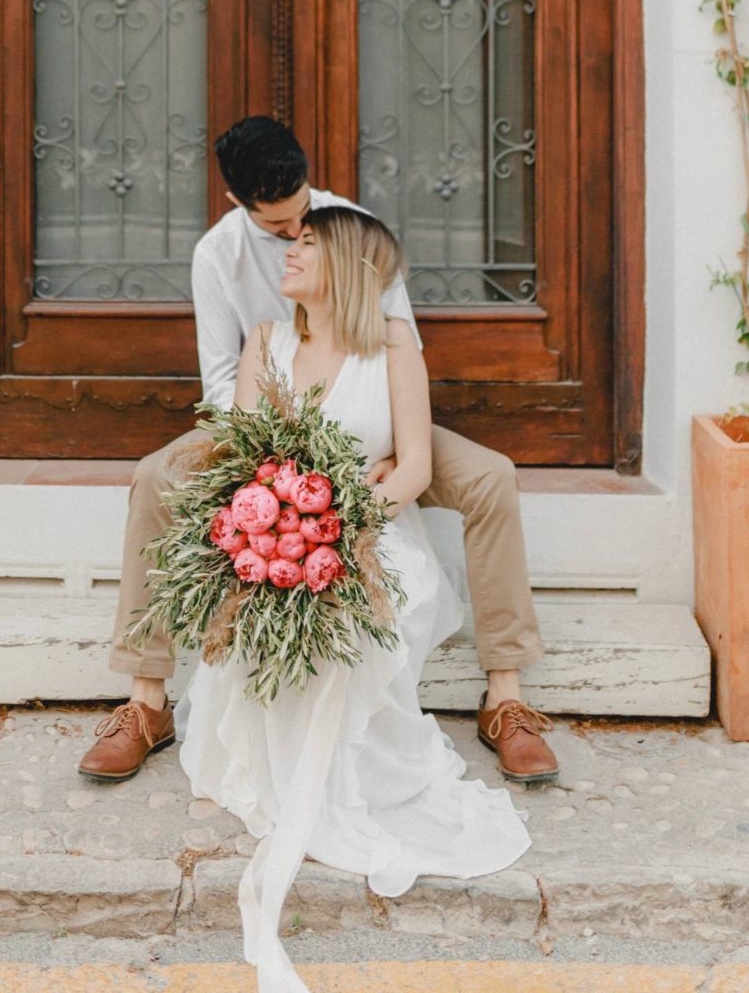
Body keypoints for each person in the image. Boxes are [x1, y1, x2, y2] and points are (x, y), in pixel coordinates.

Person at [78, 116, 557, 786]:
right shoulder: (217, 257)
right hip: (265, 417)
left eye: (305, 216)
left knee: (490, 477)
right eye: (280, 228)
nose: (295, 236)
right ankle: (145, 700)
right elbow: (221, 385)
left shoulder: (347, 227)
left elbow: (398, 342)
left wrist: (383, 454)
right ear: (238, 206)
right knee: (156, 477)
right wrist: (282, 472)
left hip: (369, 416)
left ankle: (505, 696)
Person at [180, 205, 532, 993]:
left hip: (376, 538)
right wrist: (288, 533)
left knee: (376, 613)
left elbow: (410, 466)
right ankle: (293, 766)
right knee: (284, 610)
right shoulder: (266, 343)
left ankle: (353, 771)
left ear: (346, 265)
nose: (288, 255)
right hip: (285, 537)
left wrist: (344, 529)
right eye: (288, 242)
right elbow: (245, 457)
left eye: (306, 245)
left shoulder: (395, 345)